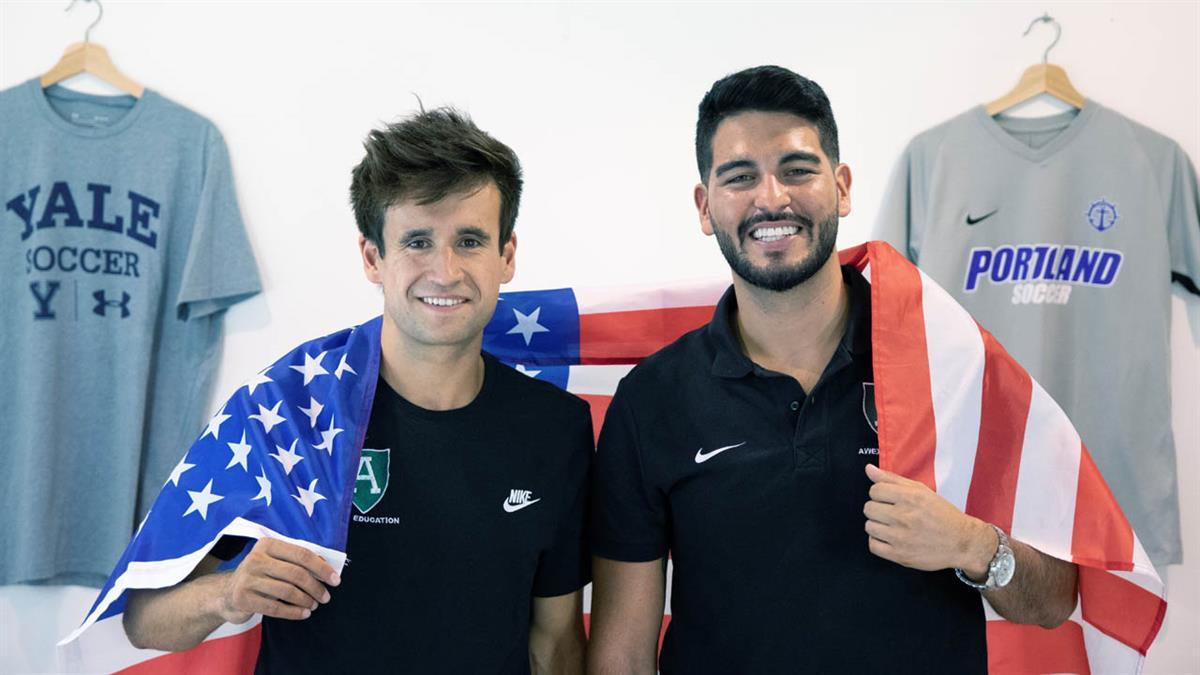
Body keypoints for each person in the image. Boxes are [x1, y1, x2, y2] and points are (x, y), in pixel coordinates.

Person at [587, 65, 1078, 674]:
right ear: (705, 206)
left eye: (798, 170)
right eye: (740, 177)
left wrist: (970, 544)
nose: (772, 198)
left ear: (842, 187)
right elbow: (623, 657)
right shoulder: (653, 399)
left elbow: (1055, 598)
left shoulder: (947, 361)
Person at [121, 108, 592, 674]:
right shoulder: (289, 411)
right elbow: (144, 619)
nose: (445, 271)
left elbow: (556, 642)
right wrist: (229, 593)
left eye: (469, 241)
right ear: (373, 258)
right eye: (417, 242)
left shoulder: (555, 427)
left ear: (506, 256)